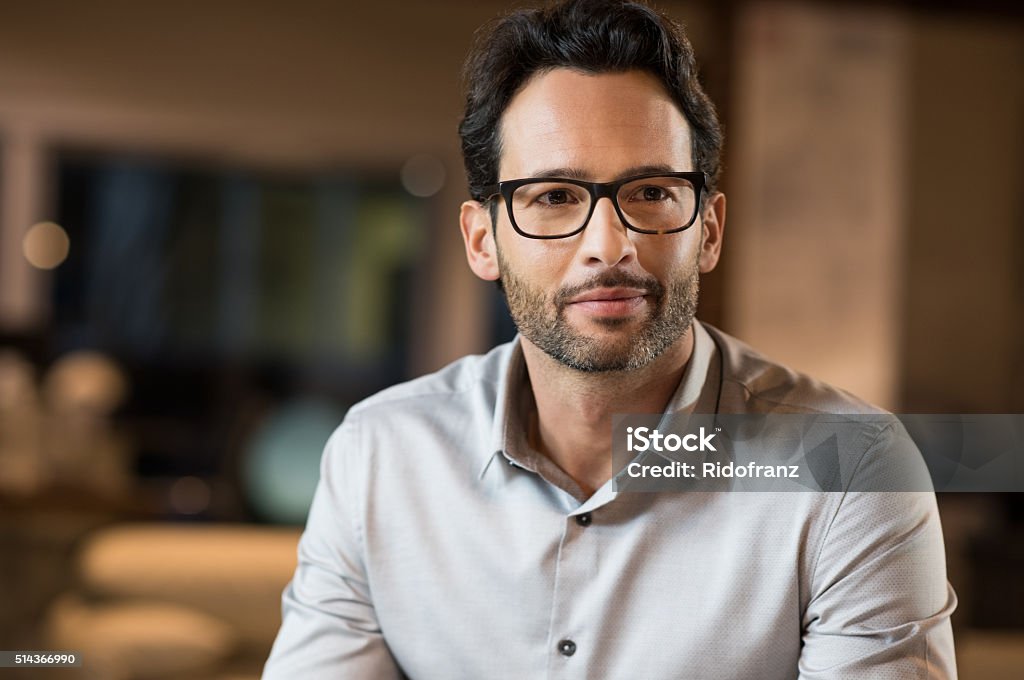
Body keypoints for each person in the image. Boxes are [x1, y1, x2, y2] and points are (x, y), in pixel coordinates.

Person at [263, 1, 957, 677]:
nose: (608, 244)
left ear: (708, 230)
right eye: (554, 196)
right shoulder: (378, 456)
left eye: (651, 192)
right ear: (482, 241)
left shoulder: (854, 472)